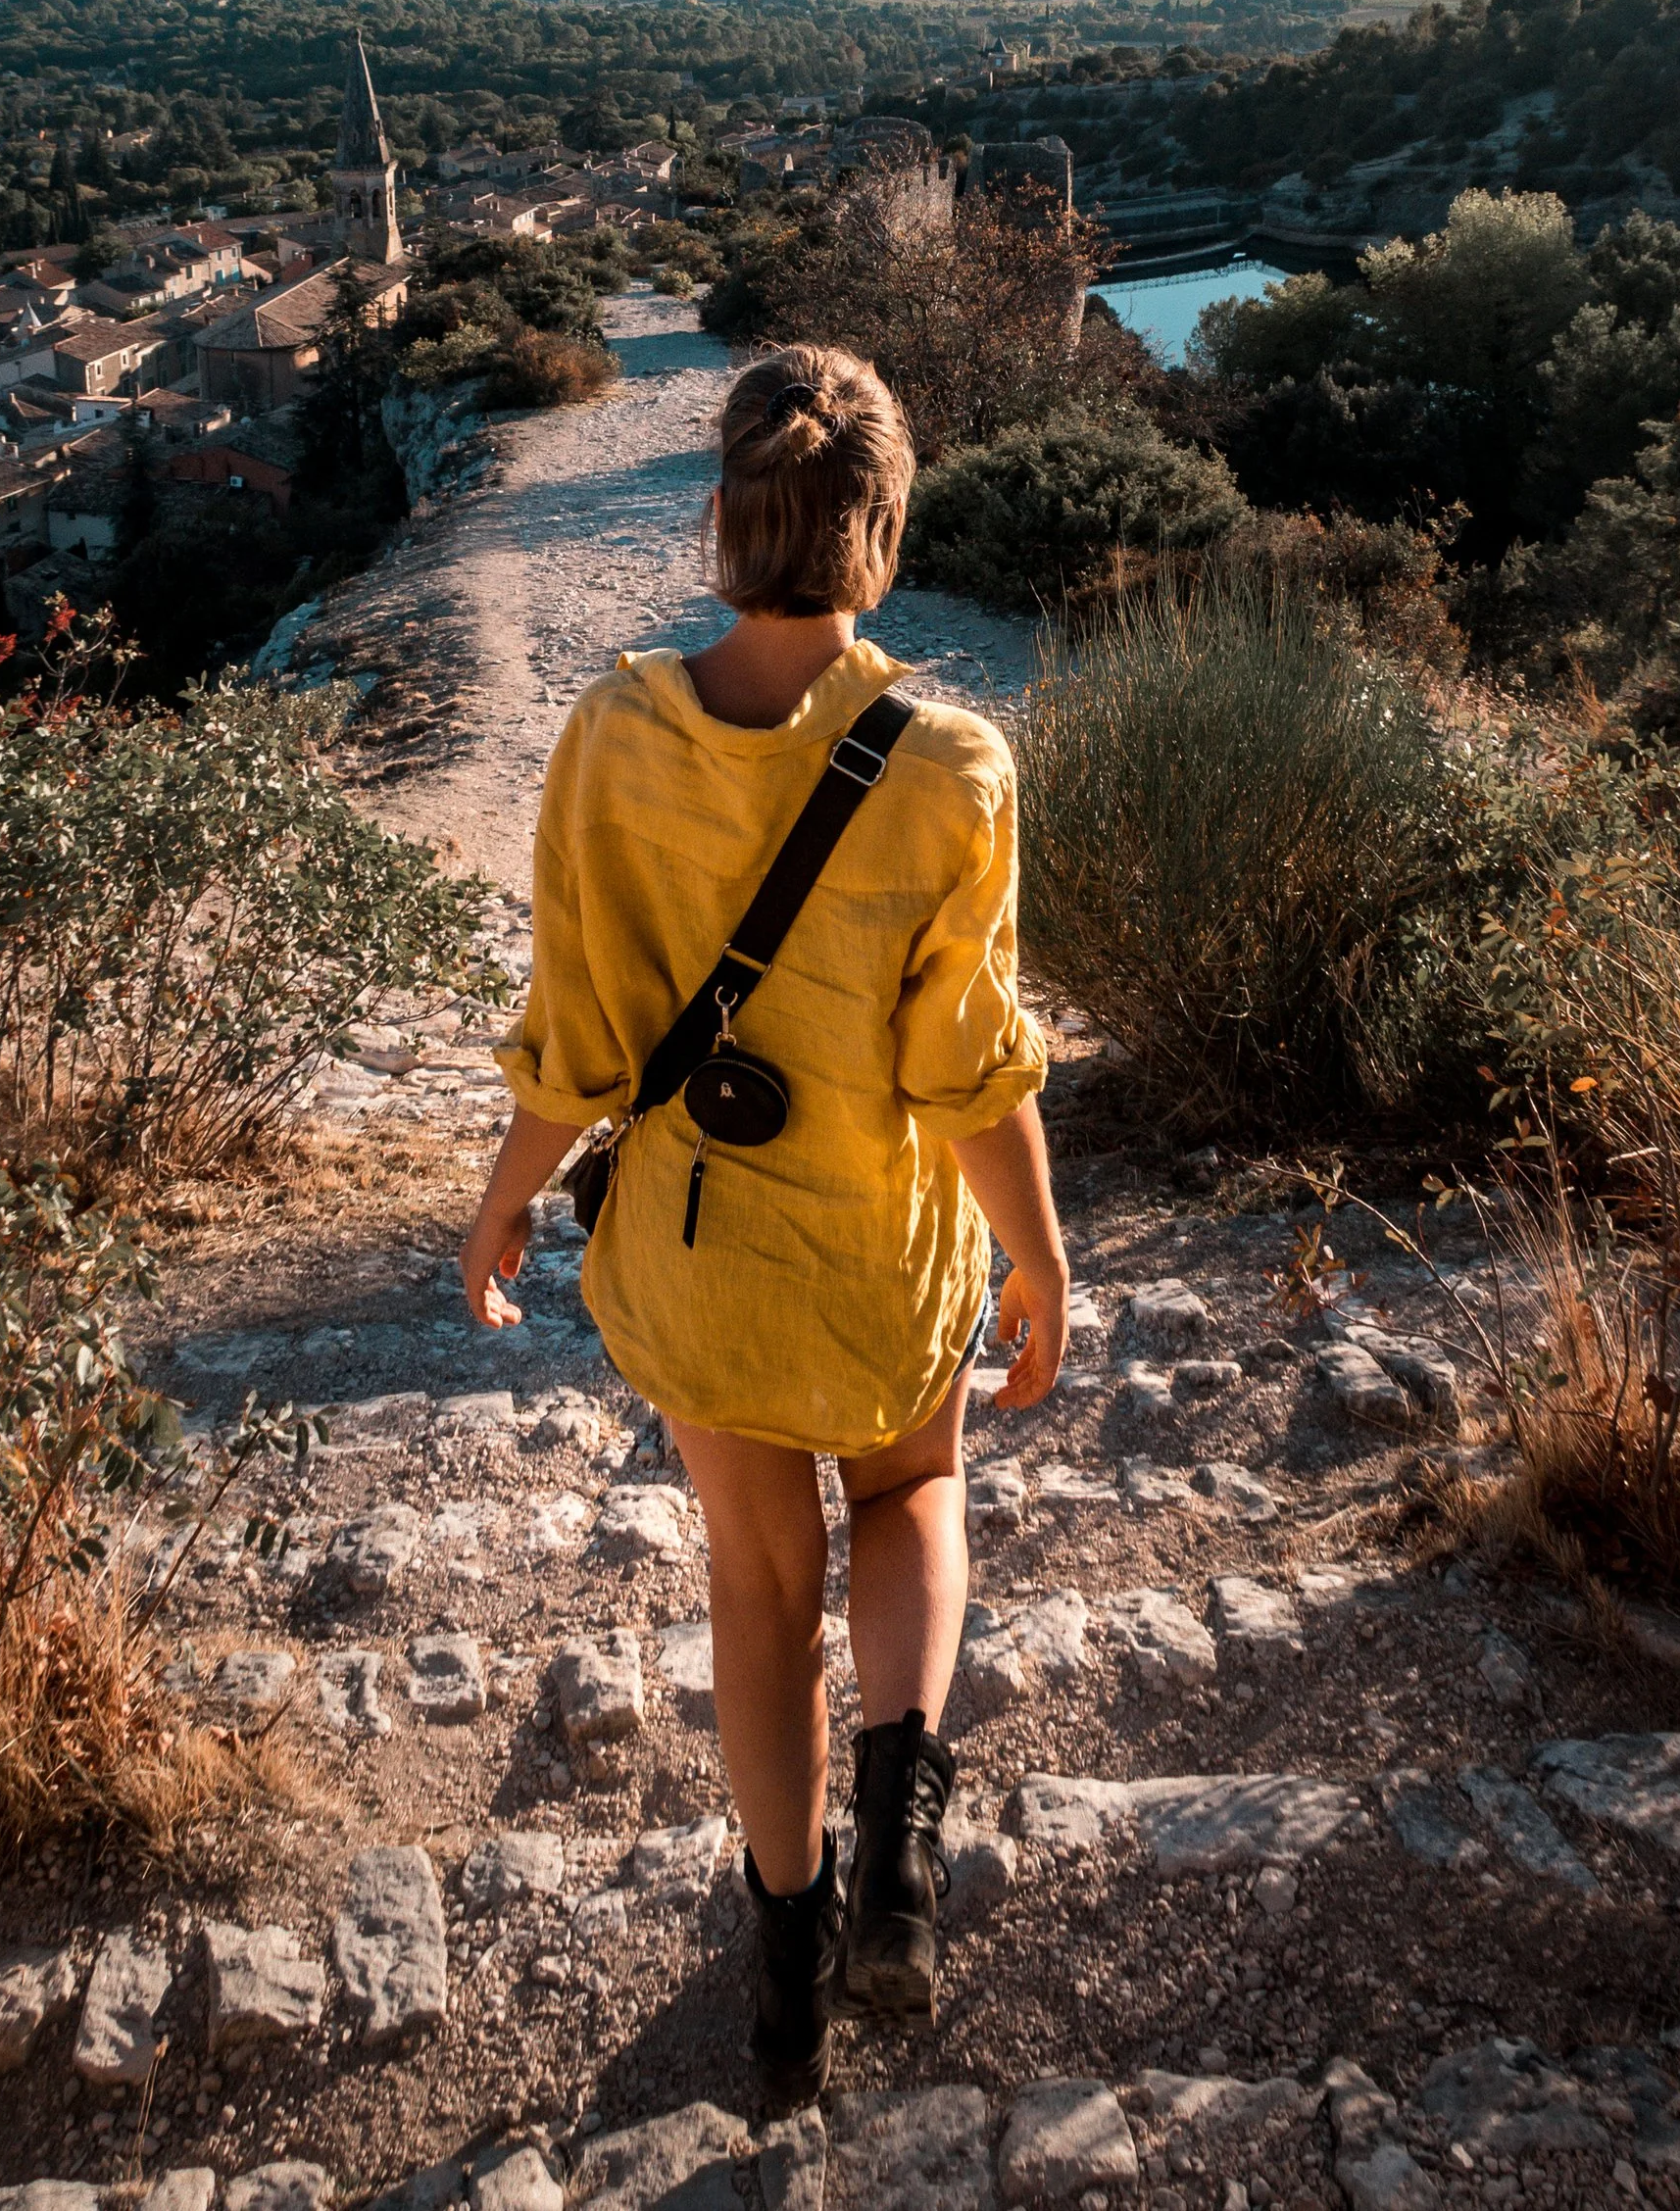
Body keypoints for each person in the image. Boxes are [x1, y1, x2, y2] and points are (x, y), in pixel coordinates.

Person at [460, 340, 1070, 2103]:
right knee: (916, 1491)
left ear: (722, 515)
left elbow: (573, 1050)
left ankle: (786, 1969)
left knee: (756, 1588)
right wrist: (1037, 1258)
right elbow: (971, 1075)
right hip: (879, 1259)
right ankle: (901, 1845)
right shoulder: (954, 767)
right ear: (884, 525)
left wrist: (501, 1215)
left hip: (696, 1258)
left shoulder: (609, 734)